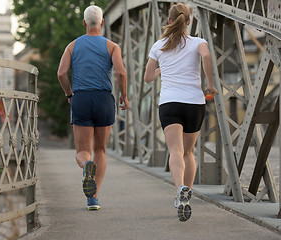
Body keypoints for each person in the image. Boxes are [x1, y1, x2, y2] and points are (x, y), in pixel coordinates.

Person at [144, 3, 217, 221]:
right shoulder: (198, 42)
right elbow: (205, 57)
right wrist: (210, 84)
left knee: (175, 151)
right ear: (188, 21)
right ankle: (188, 192)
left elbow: (147, 77)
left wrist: (160, 70)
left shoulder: (159, 45)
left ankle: (180, 189)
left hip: (170, 103)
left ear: (169, 21)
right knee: (188, 152)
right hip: (194, 103)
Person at [57, 5, 128, 211]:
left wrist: (69, 93)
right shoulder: (112, 46)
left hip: (81, 98)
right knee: (100, 150)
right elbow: (121, 73)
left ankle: (86, 165)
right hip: (104, 99)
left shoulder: (72, 46)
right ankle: (94, 198)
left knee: (83, 151)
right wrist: (123, 95)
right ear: (103, 23)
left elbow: (61, 73)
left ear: (84, 23)